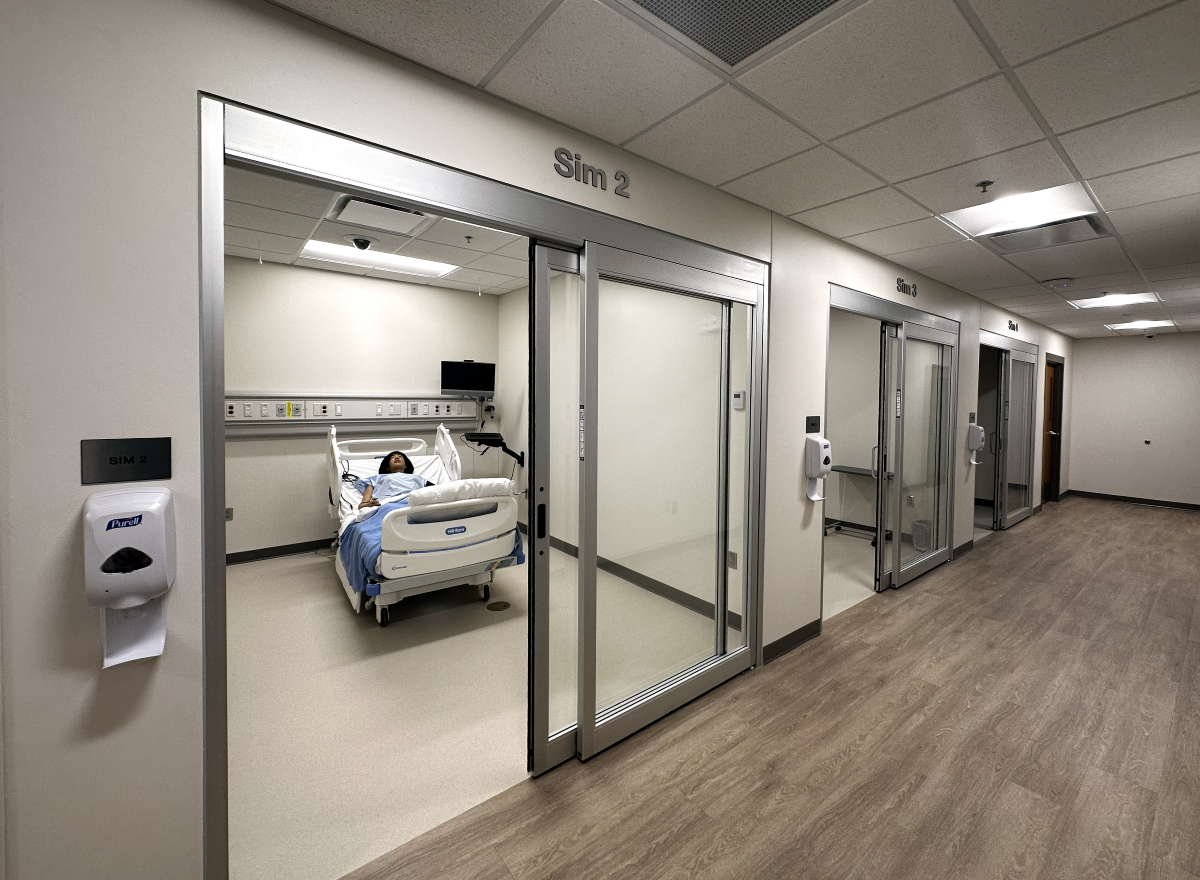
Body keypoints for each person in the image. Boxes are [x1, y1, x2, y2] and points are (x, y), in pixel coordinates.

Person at [355, 451, 430, 509]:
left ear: (406, 465)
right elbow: (362, 505)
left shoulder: (418, 478)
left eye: (400, 456)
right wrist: (370, 504)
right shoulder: (375, 479)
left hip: (414, 505)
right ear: (387, 467)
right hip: (388, 505)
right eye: (393, 457)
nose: (397, 457)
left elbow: (437, 491)